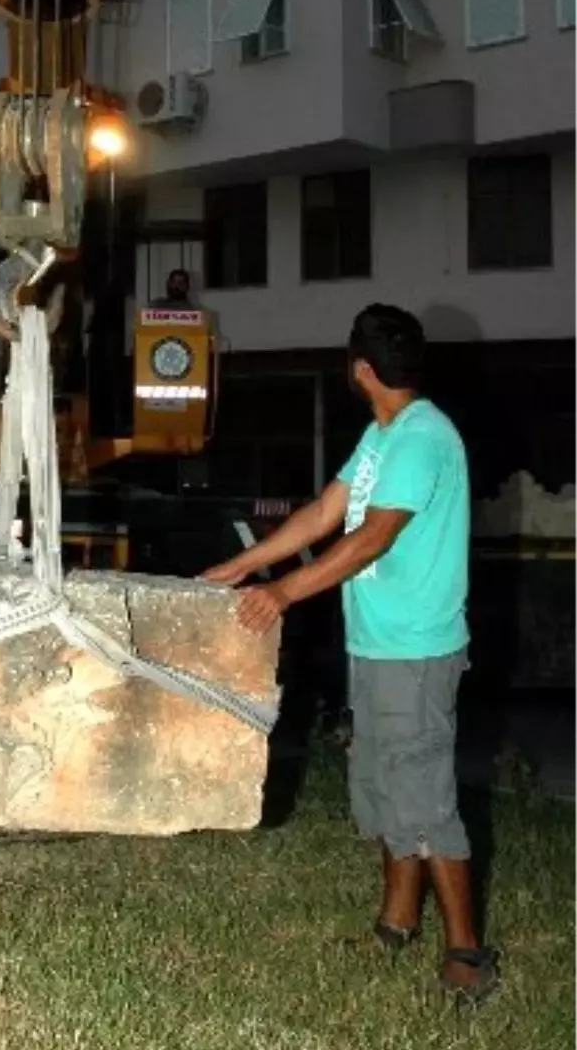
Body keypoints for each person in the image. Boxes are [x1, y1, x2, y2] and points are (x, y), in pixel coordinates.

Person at [203, 304, 498, 1007]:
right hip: (377, 643)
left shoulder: (424, 437)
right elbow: (321, 514)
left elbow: (369, 539)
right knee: (383, 787)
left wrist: (283, 591)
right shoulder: (381, 435)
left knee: (424, 797)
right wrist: (239, 566)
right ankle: (396, 923)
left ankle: (467, 952)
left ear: (360, 368)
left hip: (417, 651)